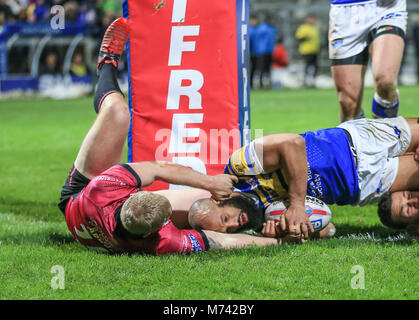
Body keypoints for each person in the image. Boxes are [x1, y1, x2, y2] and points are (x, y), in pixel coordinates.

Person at [59, 17, 288, 255]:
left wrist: (212, 182)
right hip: (95, 213)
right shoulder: (164, 241)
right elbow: (220, 241)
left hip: (78, 196)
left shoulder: (103, 187)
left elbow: (160, 169)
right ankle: (265, 211)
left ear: (129, 196)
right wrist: (278, 242)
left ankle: (106, 63)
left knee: (117, 112)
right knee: (202, 204)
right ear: (155, 230)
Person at [188, 106, 419, 239]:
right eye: (231, 230)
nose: (235, 224)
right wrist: (291, 232)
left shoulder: (239, 170)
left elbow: (292, 145)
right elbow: (329, 228)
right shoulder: (264, 222)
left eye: (225, 219)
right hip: (364, 183)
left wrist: (295, 204)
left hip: (359, 140)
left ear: (218, 201)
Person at [329, 0, 407, 121]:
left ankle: (384, 134)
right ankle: (360, 136)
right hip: (344, 10)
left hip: (386, 7)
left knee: (385, 79)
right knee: (348, 104)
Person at [252, 14, 277, 89]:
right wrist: (256, 49)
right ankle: (258, 83)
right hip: (261, 51)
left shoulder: (272, 28)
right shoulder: (262, 28)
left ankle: (266, 83)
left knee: (267, 68)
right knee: (260, 68)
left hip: (269, 51)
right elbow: (256, 39)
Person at [295, 15, 320, 87]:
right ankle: (305, 81)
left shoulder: (314, 28)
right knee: (307, 66)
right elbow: (298, 38)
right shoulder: (303, 28)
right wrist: (305, 38)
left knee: (315, 66)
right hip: (306, 51)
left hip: (315, 50)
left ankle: (313, 80)